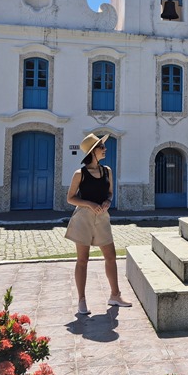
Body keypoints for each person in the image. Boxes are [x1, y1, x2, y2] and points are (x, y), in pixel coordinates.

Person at [65, 133, 132, 315]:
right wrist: (89, 203)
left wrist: (108, 202)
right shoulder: (80, 174)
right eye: (102, 147)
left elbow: (110, 193)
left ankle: (115, 295)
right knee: (82, 260)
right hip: (83, 218)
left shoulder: (107, 171)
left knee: (111, 256)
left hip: (102, 217)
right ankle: (81, 300)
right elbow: (70, 198)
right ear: (93, 151)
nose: (105, 149)